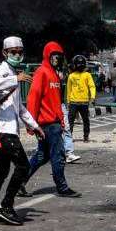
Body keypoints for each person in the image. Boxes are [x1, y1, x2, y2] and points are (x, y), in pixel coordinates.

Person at [0, 36, 43, 226]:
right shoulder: (1, 71)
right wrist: (15, 79)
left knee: (0, 172)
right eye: (13, 52)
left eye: (19, 52)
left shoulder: (12, 73)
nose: (17, 55)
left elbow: (19, 107)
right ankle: (5, 206)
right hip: (3, 130)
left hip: (10, 130)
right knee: (23, 167)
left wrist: (34, 126)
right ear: (4, 53)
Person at [23, 41, 80, 197]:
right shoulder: (42, 72)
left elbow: (56, 101)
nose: (57, 59)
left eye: (59, 56)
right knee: (58, 155)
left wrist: (61, 119)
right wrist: (31, 124)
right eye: (54, 55)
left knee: (42, 156)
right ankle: (62, 187)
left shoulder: (54, 74)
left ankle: (19, 182)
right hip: (47, 124)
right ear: (47, 56)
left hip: (53, 122)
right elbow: (33, 98)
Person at [66, 55, 96, 143]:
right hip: (74, 102)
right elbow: (69, 89)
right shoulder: (71, 76)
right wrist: (68, 101)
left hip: (83, 102)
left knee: (85, 120)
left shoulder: (87, 75)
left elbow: (92, 86)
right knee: (71, 121)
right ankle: (69, 137)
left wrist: (92, 97)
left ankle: (86, 137)